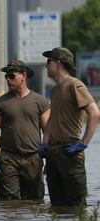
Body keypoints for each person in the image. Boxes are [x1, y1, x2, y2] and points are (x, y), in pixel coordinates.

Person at [40, 47, 100, 206]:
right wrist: (45, 143)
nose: (46, 66)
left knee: (76, 204)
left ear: (58, 63)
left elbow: (95, 113)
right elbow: (52, 119)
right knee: (56, 204)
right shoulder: (54, 91)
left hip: (70, 150)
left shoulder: (75, 85)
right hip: (54, 151)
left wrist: (83, 143)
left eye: (49, 62)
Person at [0, 60, 51, 200]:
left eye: (11, 76)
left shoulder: (40, 102)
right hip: (9, 158)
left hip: (33, 157)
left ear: (23, 76)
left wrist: (51, 157)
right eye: (6, 77)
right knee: (9, 202)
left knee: (34, 201)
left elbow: (48, 131)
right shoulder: (0, 103)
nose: (8, 79)